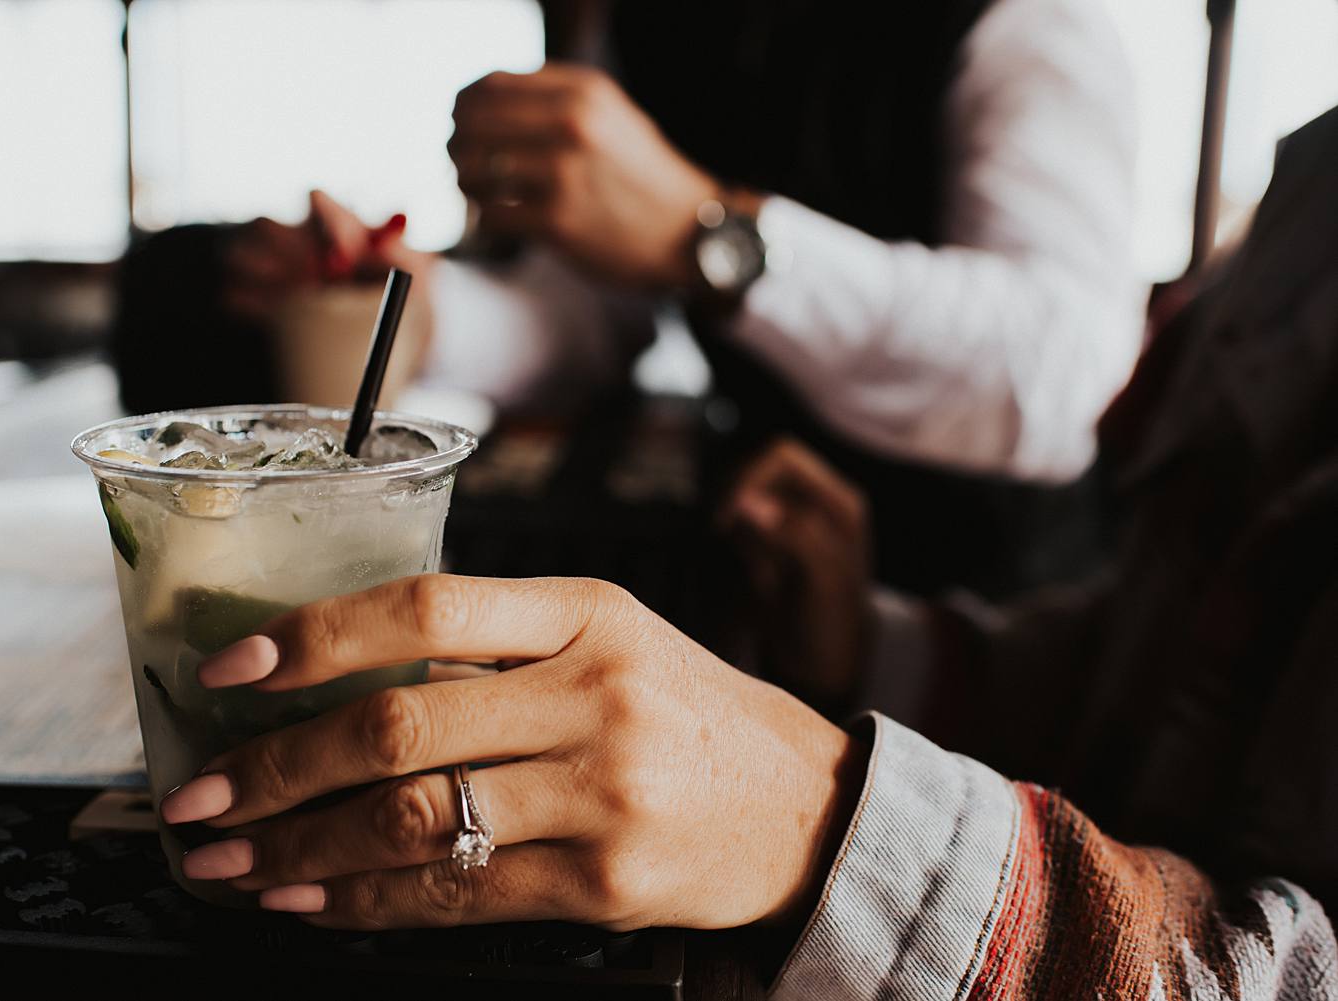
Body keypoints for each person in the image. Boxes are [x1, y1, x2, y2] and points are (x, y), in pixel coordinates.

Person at [153, 107, 1338, 998]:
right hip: (821, 642)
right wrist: (881, 646)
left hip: (945, 621)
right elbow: (1186, 663)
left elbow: (1066, 372)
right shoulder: (1314, 179)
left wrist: (837, 828)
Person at [207, 0, 1145, 596]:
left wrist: (708, 239)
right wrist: (418, 306)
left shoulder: (1026, 20)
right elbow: (581, 318)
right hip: (765, 575)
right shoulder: (655, 27)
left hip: (1001, 624)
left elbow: (1056, 377)